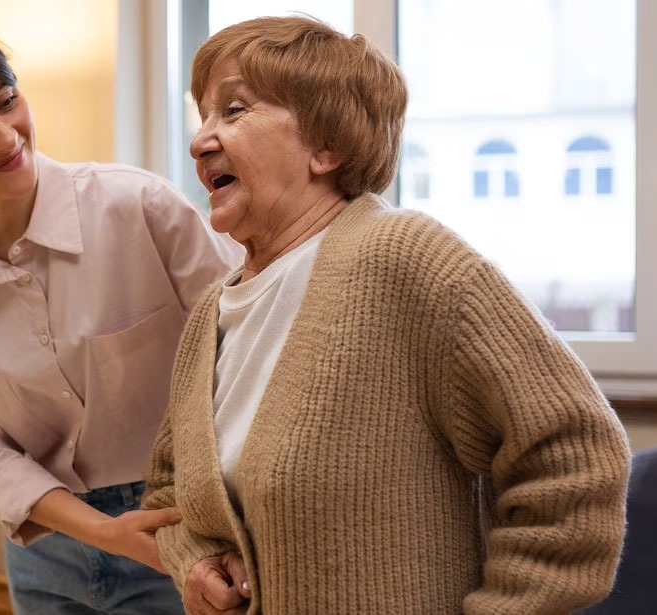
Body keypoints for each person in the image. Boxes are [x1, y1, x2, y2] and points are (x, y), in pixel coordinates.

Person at [142, 15, 631, 615]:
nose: (200, 141)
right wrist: (193, 561)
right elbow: (168, 487)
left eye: (235, 110)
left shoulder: (406, 259)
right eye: (204, 117)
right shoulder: (214, 311)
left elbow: (575, 455)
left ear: (328, 146)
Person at [0, 13, 239, 614]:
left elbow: (247, 355)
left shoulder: (139, 208)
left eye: (6, 102)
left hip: (178, 528)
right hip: (44, 555)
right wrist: (101, 530)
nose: (4, 136)